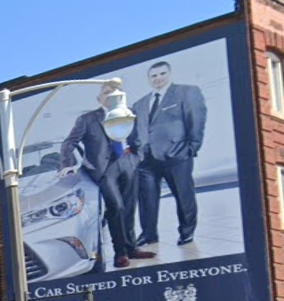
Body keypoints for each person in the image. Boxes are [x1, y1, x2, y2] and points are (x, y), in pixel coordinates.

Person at [59, 84, 154, 268]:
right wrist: (67, 165)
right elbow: (69, 142)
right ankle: (120, 253)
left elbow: (140, 134)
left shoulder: (130, 113)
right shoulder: (87, 119)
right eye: (106, 93)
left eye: (114, 93)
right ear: (99, 98)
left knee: (129, 206)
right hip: (103, 169)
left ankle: (131, 248)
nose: (111, 96)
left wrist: (137, 156)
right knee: (116, 206)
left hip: (128, 162)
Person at [128, 60, 207, 247]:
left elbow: (196, 119)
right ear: (149, 79)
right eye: (153, 76)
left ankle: (186, 232)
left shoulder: (186, 92)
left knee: (183, 195)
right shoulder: (139, 104)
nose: (158, 78)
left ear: (169, 74)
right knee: (147, 200)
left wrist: (191, 148)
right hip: (147, 160)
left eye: (162, 74)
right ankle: (149, 234)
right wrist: (137, 152)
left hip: (177, 155)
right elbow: (135, 131)